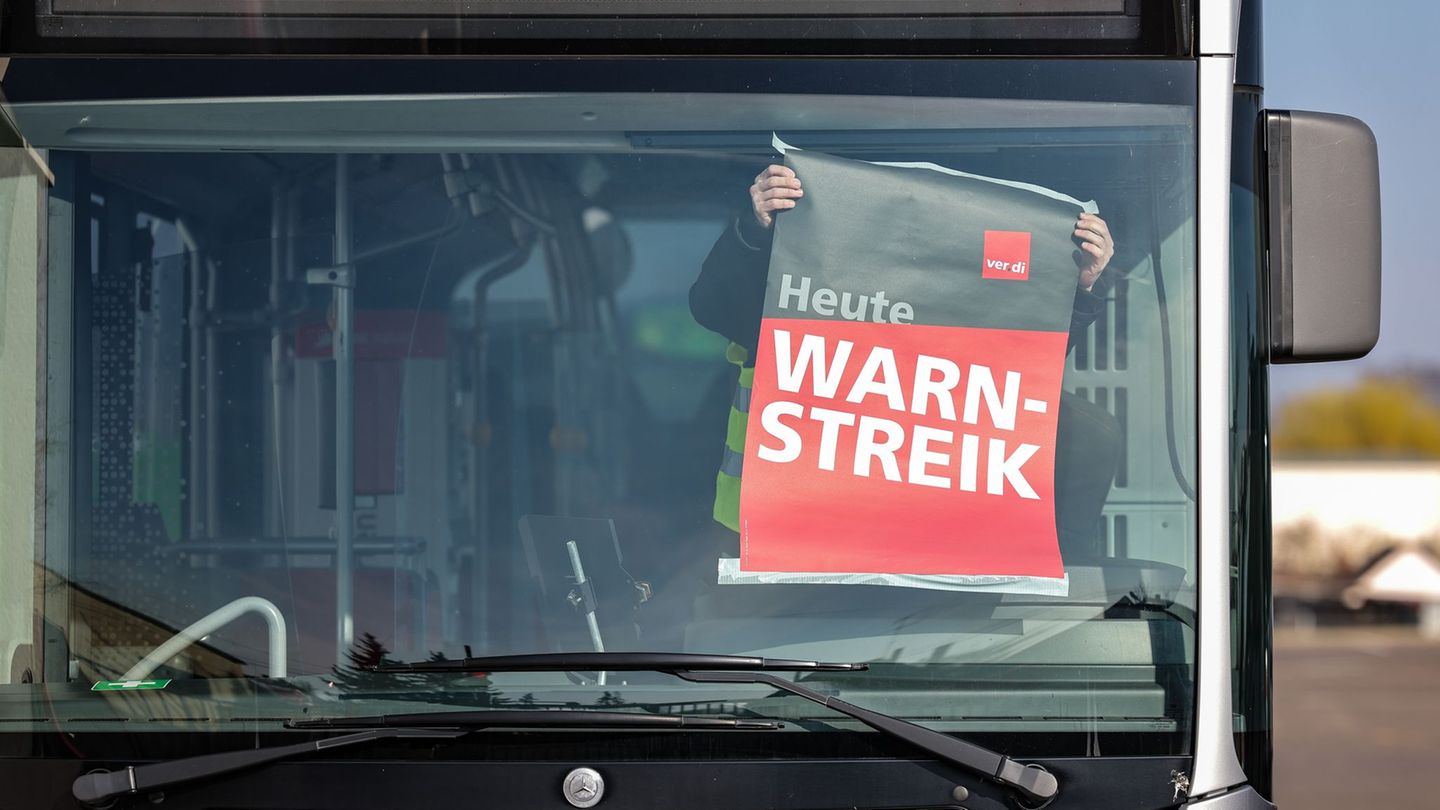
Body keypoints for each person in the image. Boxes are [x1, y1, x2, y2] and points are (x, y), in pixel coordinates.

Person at [690, 164, 1123, 560]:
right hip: (778, 561)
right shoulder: (799, 305)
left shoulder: (968, 340)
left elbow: (1023, 359)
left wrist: (1077, 285)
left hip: (930, 575)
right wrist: (755, 231)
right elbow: (715, 306)